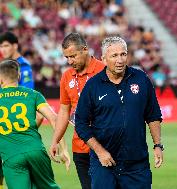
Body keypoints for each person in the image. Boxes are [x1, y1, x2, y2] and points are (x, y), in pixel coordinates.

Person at [73, 36, 164, 189]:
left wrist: (157, 145)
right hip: (104, 163)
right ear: (104, 58)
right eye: (114, 56)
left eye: (123, 54)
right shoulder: (93, 85)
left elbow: (153, 115)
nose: (120, 60)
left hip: (136, 164)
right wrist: (100, 151)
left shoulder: (141, 79)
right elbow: (81, 123)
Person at [0, 59, 70, 189]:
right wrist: (64, 148)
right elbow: (54, 118)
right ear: (19, 76)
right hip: (36, 151)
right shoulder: (33, 94)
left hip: (11, 156)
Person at [50, 32, 105, 189]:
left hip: (105, 145)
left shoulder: (104, 70)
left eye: (73, 56)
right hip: (80, 147)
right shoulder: (67, 76)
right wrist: (55, 140)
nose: (69, 61)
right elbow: (64, 111)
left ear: (85, 49)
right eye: (67, 57)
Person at [0, 31, 41, 189]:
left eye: (5, 45)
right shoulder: (5, 66)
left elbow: (26, 98)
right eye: (1, 46)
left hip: (15, 131)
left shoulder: (23, 67)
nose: (2, 49)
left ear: (15, 45)